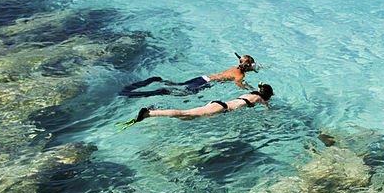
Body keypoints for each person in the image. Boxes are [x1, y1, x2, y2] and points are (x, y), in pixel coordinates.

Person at [117, 83, 273, 129]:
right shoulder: (258, 99)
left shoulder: (249, 95)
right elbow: (266, 107)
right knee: (185, 113)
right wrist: (270, 112)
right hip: (220, 108)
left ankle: (153, 112)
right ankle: (150, 113)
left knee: (187, 118)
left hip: (217, 104)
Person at [120, 53, 259, 98]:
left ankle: (158, 80)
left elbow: (244, 66)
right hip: (205, 84)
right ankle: (159, 91)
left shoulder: (234, 68)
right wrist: (250, 89)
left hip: (202, 78)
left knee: (177, 84)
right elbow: (238, 83)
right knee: (183, 94)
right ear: (249, 67)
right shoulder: (240, 76)